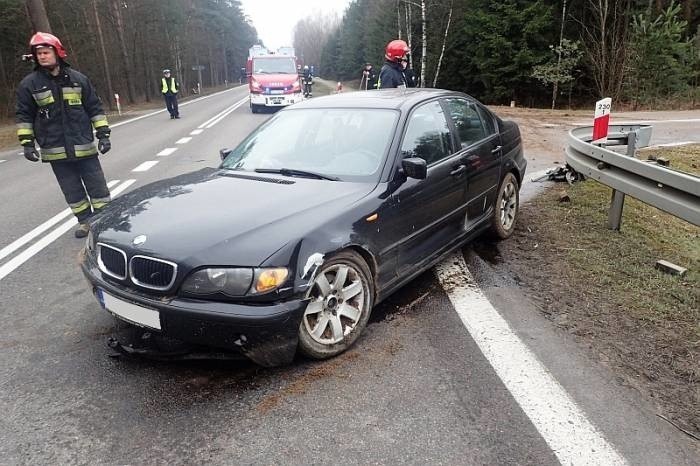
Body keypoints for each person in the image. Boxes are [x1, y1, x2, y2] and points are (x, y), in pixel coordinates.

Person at [16, 32, 112, 238]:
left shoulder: (78, 79)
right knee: (72, 190)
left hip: (83, 145)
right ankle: (85, 221)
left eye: (45, 52)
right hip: (55, 150)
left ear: (57, 52)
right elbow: (24, 115)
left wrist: (103, 134)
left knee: (97, 186)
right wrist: (27, 143)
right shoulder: (29, 84)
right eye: (38, 53)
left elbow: (94, 108)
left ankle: (104, 220)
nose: (42, 56)